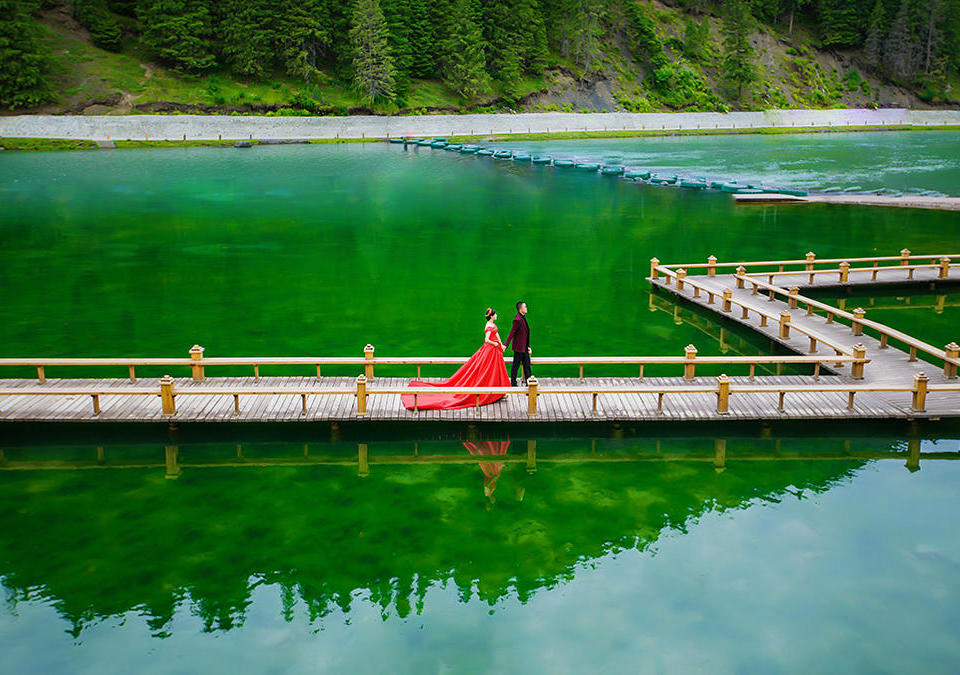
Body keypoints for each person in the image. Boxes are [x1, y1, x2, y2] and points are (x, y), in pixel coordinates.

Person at [400, 308, 510, 410]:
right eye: (495, 314)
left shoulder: (492, 325)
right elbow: (486, 340)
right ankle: (494, 392)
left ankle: (500, 391)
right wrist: (495, 343)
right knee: (488, 371)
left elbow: (497, 334)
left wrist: (501, 345)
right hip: (490, 350)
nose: (496, 315)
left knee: (496, 370)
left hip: (495, 350)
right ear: (491, 316)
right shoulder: (488, 326)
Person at [504, 301, 532, 387]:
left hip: (524, 348)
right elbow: (512, 333)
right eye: (525, 307)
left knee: (527, 366)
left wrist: (527, 346)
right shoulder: (517, 319)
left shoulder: (522, 317)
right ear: (520, 309)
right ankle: (513, 383)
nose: (526, 308)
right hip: (519, 348)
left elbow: (525, 334)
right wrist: (505, 345)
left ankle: (530, 385)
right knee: (515, 366)